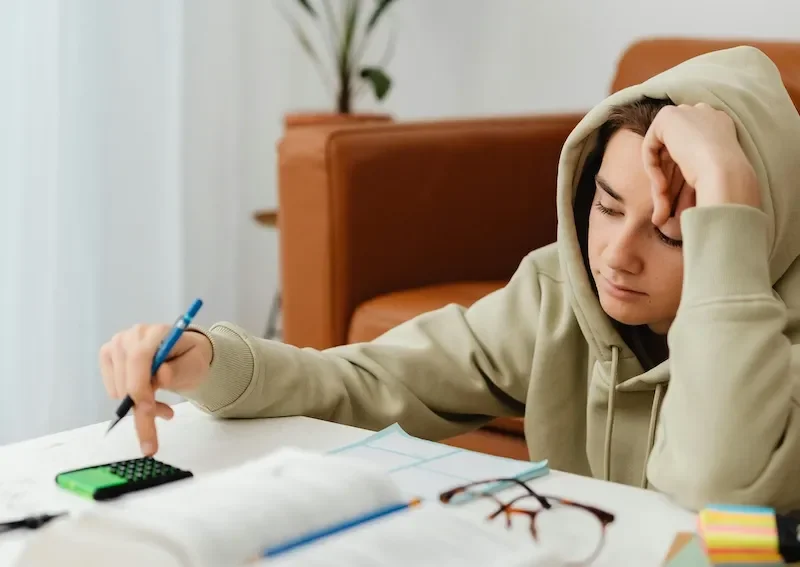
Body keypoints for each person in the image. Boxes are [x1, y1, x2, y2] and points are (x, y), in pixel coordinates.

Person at [99, 46, 800, 513]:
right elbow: (372, 382)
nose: (616, 255)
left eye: (674, 233)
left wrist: (726, 192)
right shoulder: (558, 295)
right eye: (607, 207)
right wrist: (212, 360)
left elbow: (718, 484)